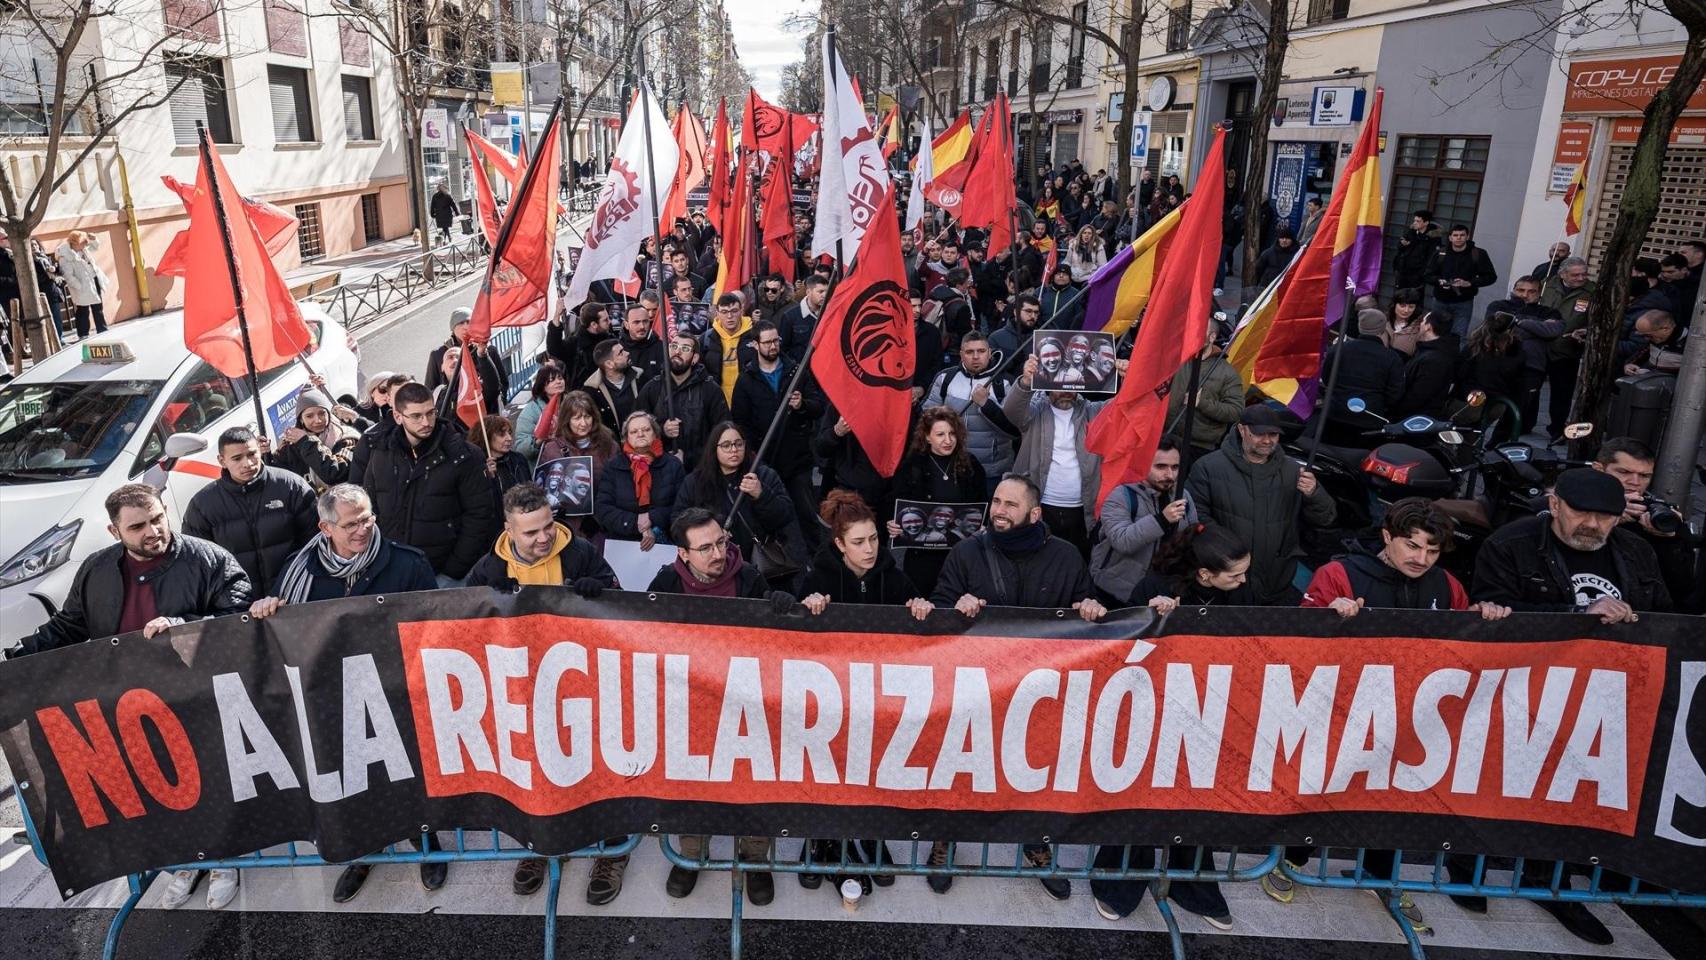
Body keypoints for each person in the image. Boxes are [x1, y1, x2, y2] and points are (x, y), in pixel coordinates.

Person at [6, 484, 251, 907]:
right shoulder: (98, 569)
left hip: (193, 696)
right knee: (160, 788)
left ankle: (226, 860)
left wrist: (185, 625)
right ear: (114, 530)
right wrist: (15, 657)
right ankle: (184, 861)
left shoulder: (208, 558)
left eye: (157, 518)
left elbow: (238, 617)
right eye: (137, 526)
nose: (153, 530)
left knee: (208, 784)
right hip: (125, 703)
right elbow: (68, 626)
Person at [246, 483, 442, 904]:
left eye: (368, 518)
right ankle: (364, 851)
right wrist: (267, 611)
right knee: (351, 778)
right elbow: (286, 630)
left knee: (408, 771)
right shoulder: (299, 571)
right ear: (325, 527)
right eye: (351, 523)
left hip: (394, 691)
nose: (363, 529)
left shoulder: (407, 564)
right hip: (332, 698)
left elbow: (433, 624)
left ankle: (426, 843)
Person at [926, 474, 1104, 899]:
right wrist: (956, 607)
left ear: (1034, 513)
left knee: (1036, 769)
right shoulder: (967, 552)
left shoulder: (1066, 557)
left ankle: (1037, 846)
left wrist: (1092, 607)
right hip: (976, 686)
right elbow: (939, 606)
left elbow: (1087, 600)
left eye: (1010, 504)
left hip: (1040, 689)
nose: (999, 510)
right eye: (996, 502)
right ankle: (943, 844)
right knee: (963, 769)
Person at [648, 509, 792, 906]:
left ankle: (753, 858)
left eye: (721, 542)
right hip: (690, 706)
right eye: (706, 547)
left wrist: (779, 604)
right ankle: (691, 854)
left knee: (754, 780)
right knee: (694, 783)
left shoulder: (746, 577)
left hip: (746, 704)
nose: (718, 553)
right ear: (684, 553)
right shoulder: (665, 583)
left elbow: (777, 637)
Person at [1473, 467, 1671, 618]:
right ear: (1555, 505)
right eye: (1580, 512)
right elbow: (1493, 611)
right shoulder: (1508, 545)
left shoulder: (1637, 549)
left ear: (1619, 518)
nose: (1592, 524)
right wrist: (1579, 613)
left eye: (1605, 516)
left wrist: (1675, 543)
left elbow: (1667, 614)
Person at [350, 381, 496, 586]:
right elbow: (368, 506)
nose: (426, 422)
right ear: (398, 417)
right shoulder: (380, 451)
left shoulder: (463, 455)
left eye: (430, 413)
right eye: (416, 416)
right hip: (392, 570)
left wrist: (454, 570)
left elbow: (480, 515)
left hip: (443, 575)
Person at [1185, 405, 1334, 604]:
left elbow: (1325, 519)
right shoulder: (1207, 467)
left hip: (1276, 579)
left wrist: (1314, 494)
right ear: (1241, 429)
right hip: (1225, 583)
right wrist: (1227, 554)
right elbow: (1196, 518)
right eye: (1259, 434)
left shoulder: (1293, 470)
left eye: (1273, 434)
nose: (1267, 440)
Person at [182, 427, 318, 594]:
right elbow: (198, 564)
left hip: (295, 593)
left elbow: (314, 542)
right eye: (237, 458)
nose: (247, 463)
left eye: (252, 454)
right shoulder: (202, 505)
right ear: (222, 460)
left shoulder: (292, 487)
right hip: (239, 607)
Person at [1002, 353, 1111, 558]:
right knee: (1038, 561)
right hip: (1041, 506)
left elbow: (1125, 408)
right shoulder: (1035, 411)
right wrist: (1026, 381)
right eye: (1060, 384)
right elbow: (1011, 410)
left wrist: (1128, 378)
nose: (1065, 391)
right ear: (1047, 383)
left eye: (1071, 383)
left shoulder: (1093, 411)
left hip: (1082, 510)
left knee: (1076, 561)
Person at [731, 320, 825, 548]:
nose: (773, 346)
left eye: (776, 340)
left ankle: (817, 559)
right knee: (769, 514)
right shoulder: (746, 379)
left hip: (797, 458)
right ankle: (776, 558)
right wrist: (751, 455)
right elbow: (740, 422)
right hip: (765, 459)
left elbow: (818, 406)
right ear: (755, 344)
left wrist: (802, 404)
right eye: (768, 342)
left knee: (807, 515)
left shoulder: (796, 370)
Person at [674, 421, 804, 586]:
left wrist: (761, 495)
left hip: (762, 567)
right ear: (714, 449)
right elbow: (678, 520)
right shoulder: (695, 482)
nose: (734, 450)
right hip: (716, 566)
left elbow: (785, 516)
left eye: (738, 444)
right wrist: (712, 532)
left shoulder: (763, 475)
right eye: (726, 445)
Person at [1591, 437, 1699, 612]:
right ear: (1598, 469)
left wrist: (1669, 540)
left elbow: (1683, 593)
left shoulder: (1657, 515)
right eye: (1624, 472)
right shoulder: (1571, 504)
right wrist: (1608, 517)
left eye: (1644, 475)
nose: (1635, 482)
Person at [889, 408, 989, 595]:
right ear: (927, 437)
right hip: (922, 556)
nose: (948, 440)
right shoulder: (912, 465)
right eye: (940, 434)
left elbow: (982, 504)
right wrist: (892, 524)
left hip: (961, 554)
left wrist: (983, 525)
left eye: (952, 434)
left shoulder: (971, 464)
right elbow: (895, 505)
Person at [1090, 439, 1197, 608]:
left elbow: (1192, 539)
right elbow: (1123, 541)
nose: (1170, 474)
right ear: (1144, 464)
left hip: (1164, 593)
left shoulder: (1183, 496)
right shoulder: (1121, 496)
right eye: (1160, 467)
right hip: (1117, 592)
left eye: (1175, 467)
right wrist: (1162, 520)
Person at [923, 331, 1018, 485]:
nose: (975, 357)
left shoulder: (1005, 383)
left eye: (981, 351)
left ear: (989, 353)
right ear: (961, 354)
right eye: (969, 352)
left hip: (992, 472)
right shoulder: (945, 379)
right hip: (950, 467)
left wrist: (986, 404)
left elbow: (1015, 430)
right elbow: (925, 421)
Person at [638, 330, 730, 471]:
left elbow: (722, 432)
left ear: (695, 358)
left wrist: (689, 459)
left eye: (685, 349)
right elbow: (636, 428)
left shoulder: (710, 390)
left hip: (700, 470)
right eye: (673, 346)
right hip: (659, 469)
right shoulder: (652, 388)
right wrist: (662, 430)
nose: (677, 352)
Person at [595, 411, 684, 549]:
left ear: (655, 433)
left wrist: (652, 519)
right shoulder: (613, 467)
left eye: (646, 430)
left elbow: (682, 506)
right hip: (622, 545)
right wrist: (636, 523)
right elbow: (603, 509)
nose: (640, 434)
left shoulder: (673, 465)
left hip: (666, 542)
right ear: (626, 438)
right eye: (634, 431)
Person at [1485, 276, 1562, 432]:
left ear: (1539, 293)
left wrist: (1518, 322)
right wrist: (1536, 328)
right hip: (1500, 361)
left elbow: (1551, 331)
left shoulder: (1549, 312)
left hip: (1531, 366)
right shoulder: (1499, 305)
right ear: (1514, 290)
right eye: (1521, 290)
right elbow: (1495, 327)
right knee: (1489, 405)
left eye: (1531, 291)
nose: (1525, 295)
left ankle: (1498, 442)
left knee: (1519, 409)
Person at [1319, 309, 1405, 444]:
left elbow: (1326, 378)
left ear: (1360, 327)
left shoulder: (1339, 349)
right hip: (1369, 418)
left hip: (1335, 413)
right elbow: (1395, 394)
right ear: (1382, 330)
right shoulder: (1392, 358)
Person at [1164, 327, 1246, 463]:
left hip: (1199, 448)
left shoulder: (1227, 373)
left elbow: (1236, 412)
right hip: (1165, 438)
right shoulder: (1175, 360)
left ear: (1212, 337)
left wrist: (1202, 403)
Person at [1539, 257, 1598, 443]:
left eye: (1584, 273)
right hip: (1540, 346)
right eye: (1575, 274)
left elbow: (1598, 321)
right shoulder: (1546, 284)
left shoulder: (1592, 291)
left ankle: (1557, 429)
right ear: (1563, 274)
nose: (1581, 278)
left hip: (1567, 349)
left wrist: (1587, 332)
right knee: (1530, 389)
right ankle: (1523, 423)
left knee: (1561, 393)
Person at [269, 388, 362, 490]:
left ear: (329, 414)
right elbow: (275, 474)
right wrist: (265, 454)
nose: (317, 420)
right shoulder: (291, 444)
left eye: (322, 413)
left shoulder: (346, 437)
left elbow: (335, 473)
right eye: (309, 416)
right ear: (301, 419)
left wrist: (306, 442)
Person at [427, 308, 509, 415]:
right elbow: (430, 388)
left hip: (485, 410)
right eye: (461, 323)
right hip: (452, 410)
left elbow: (501, 382)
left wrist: (498, 403)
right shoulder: (438, 354)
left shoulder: (487, 350)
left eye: (469, 322)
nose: (466, 327)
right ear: (453, 328)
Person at [1423, 224, 1498, 337]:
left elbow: (1491, 277)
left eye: (1462, 235)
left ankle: (1454, 354)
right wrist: (1439, 281)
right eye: (1455, 235)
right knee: (1435, 333)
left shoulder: (1478, 253)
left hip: (1463, 302)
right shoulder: (1441, 253)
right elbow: (1427, 275)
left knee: (1459, 335)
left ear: (1467, 236)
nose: (1458, 238)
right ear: (1450, 237)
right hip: (1440, 301)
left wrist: (1469, 283)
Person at [1456, 311, 1527, 423]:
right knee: (1476, 432)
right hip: (1496, 404)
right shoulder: (1517, 352)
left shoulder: (1474, 347)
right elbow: (1518, 384)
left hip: (1468, 401)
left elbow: (1459, 373)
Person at [1393, 312, 1459, 419]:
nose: (1421, 324)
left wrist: (1396, 409)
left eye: (1423, 321)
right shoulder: (1430, 349)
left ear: (1428, 327)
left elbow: (1419, 395)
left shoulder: (1435, 360)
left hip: (1415, 418)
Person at [470, 414, 531, 517]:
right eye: (502, 434)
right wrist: (488, 479)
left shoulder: (518, 459)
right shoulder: (476, 465)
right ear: (487, 436)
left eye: (509, 433)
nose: (509, 438)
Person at [702, 292, 758, 403]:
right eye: (724, 312)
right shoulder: (706, 338)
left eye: (734, 311)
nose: (729, 316)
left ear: (741, 311)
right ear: (717, 313)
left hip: (749, 401)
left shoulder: (755, 335)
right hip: (717, 402)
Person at [54, 230, 108, 338]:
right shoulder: (65, 255)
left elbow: (95, 247)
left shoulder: (83, 249)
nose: (85, 244)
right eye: (83, 242)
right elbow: (68, 275)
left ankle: (102, 330)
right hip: (81, 286)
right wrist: (79, 286)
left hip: (93, 280)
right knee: (83, 310)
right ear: (75, 242)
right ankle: (83, 334)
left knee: (98, 307)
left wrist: (94, 238)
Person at [582, 338, 641, 434]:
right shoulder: (591, 391)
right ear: (609, 364)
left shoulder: (640, 377)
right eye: (621, 353)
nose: (627, 353)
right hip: (611, 445)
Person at [549, 302, 614, 387]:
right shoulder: (575, 344)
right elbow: (554, 348)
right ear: (593, 324)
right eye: (605, 320)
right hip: (585, 394)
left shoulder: (609, 339)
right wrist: (557, 315)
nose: (610, 322)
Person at [513, 361, 567, 463]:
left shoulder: (572, 403)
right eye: (552, 380)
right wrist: (539, 440)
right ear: (543, 387)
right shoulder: (531, 411)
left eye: (560, 378)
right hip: (545, 464)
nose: (558, 382)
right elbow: (521, 449)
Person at [777, 274, 828, 363]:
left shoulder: (830, 315)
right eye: (820, 291)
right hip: (799, 371)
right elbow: (782, 349)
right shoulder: (790, 316)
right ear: (808, 292)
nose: (824, 295)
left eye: (826, 292)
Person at [616, 302, 667, 388]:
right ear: (626, 325)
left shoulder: (661, 347)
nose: (642, 326)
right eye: (636, 322)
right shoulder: (618, 349)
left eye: (645, 321)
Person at [988, 293, 1042, 365]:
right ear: (1015, 312)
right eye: (1028, 311)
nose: (1033, 316)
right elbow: (991, 366)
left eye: (1036, 312)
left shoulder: (1042, 337)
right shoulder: (996, 338)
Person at [1392, 210, 1440, 289]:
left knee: (1414, 298)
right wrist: (1402, 244)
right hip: (1403, 270)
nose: (1415, 223)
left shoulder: (1433, 237)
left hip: (1417, 274)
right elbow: (1399, 247)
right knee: (1399, 296)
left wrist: (1422, 274)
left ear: (1426, 222)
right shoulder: (1411, 232)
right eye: (1414, 220)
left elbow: (1432, 257)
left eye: (1418, 221)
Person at [1038, 263, 1085, 329]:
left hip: (1065, 334)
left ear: (1070, 277)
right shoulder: (1041, 291)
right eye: (1058, 274)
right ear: (1053, 276)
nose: (1061, 276)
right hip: (1041, 332)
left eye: (1065, 274)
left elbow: (1078, 316)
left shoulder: (1076, 294)